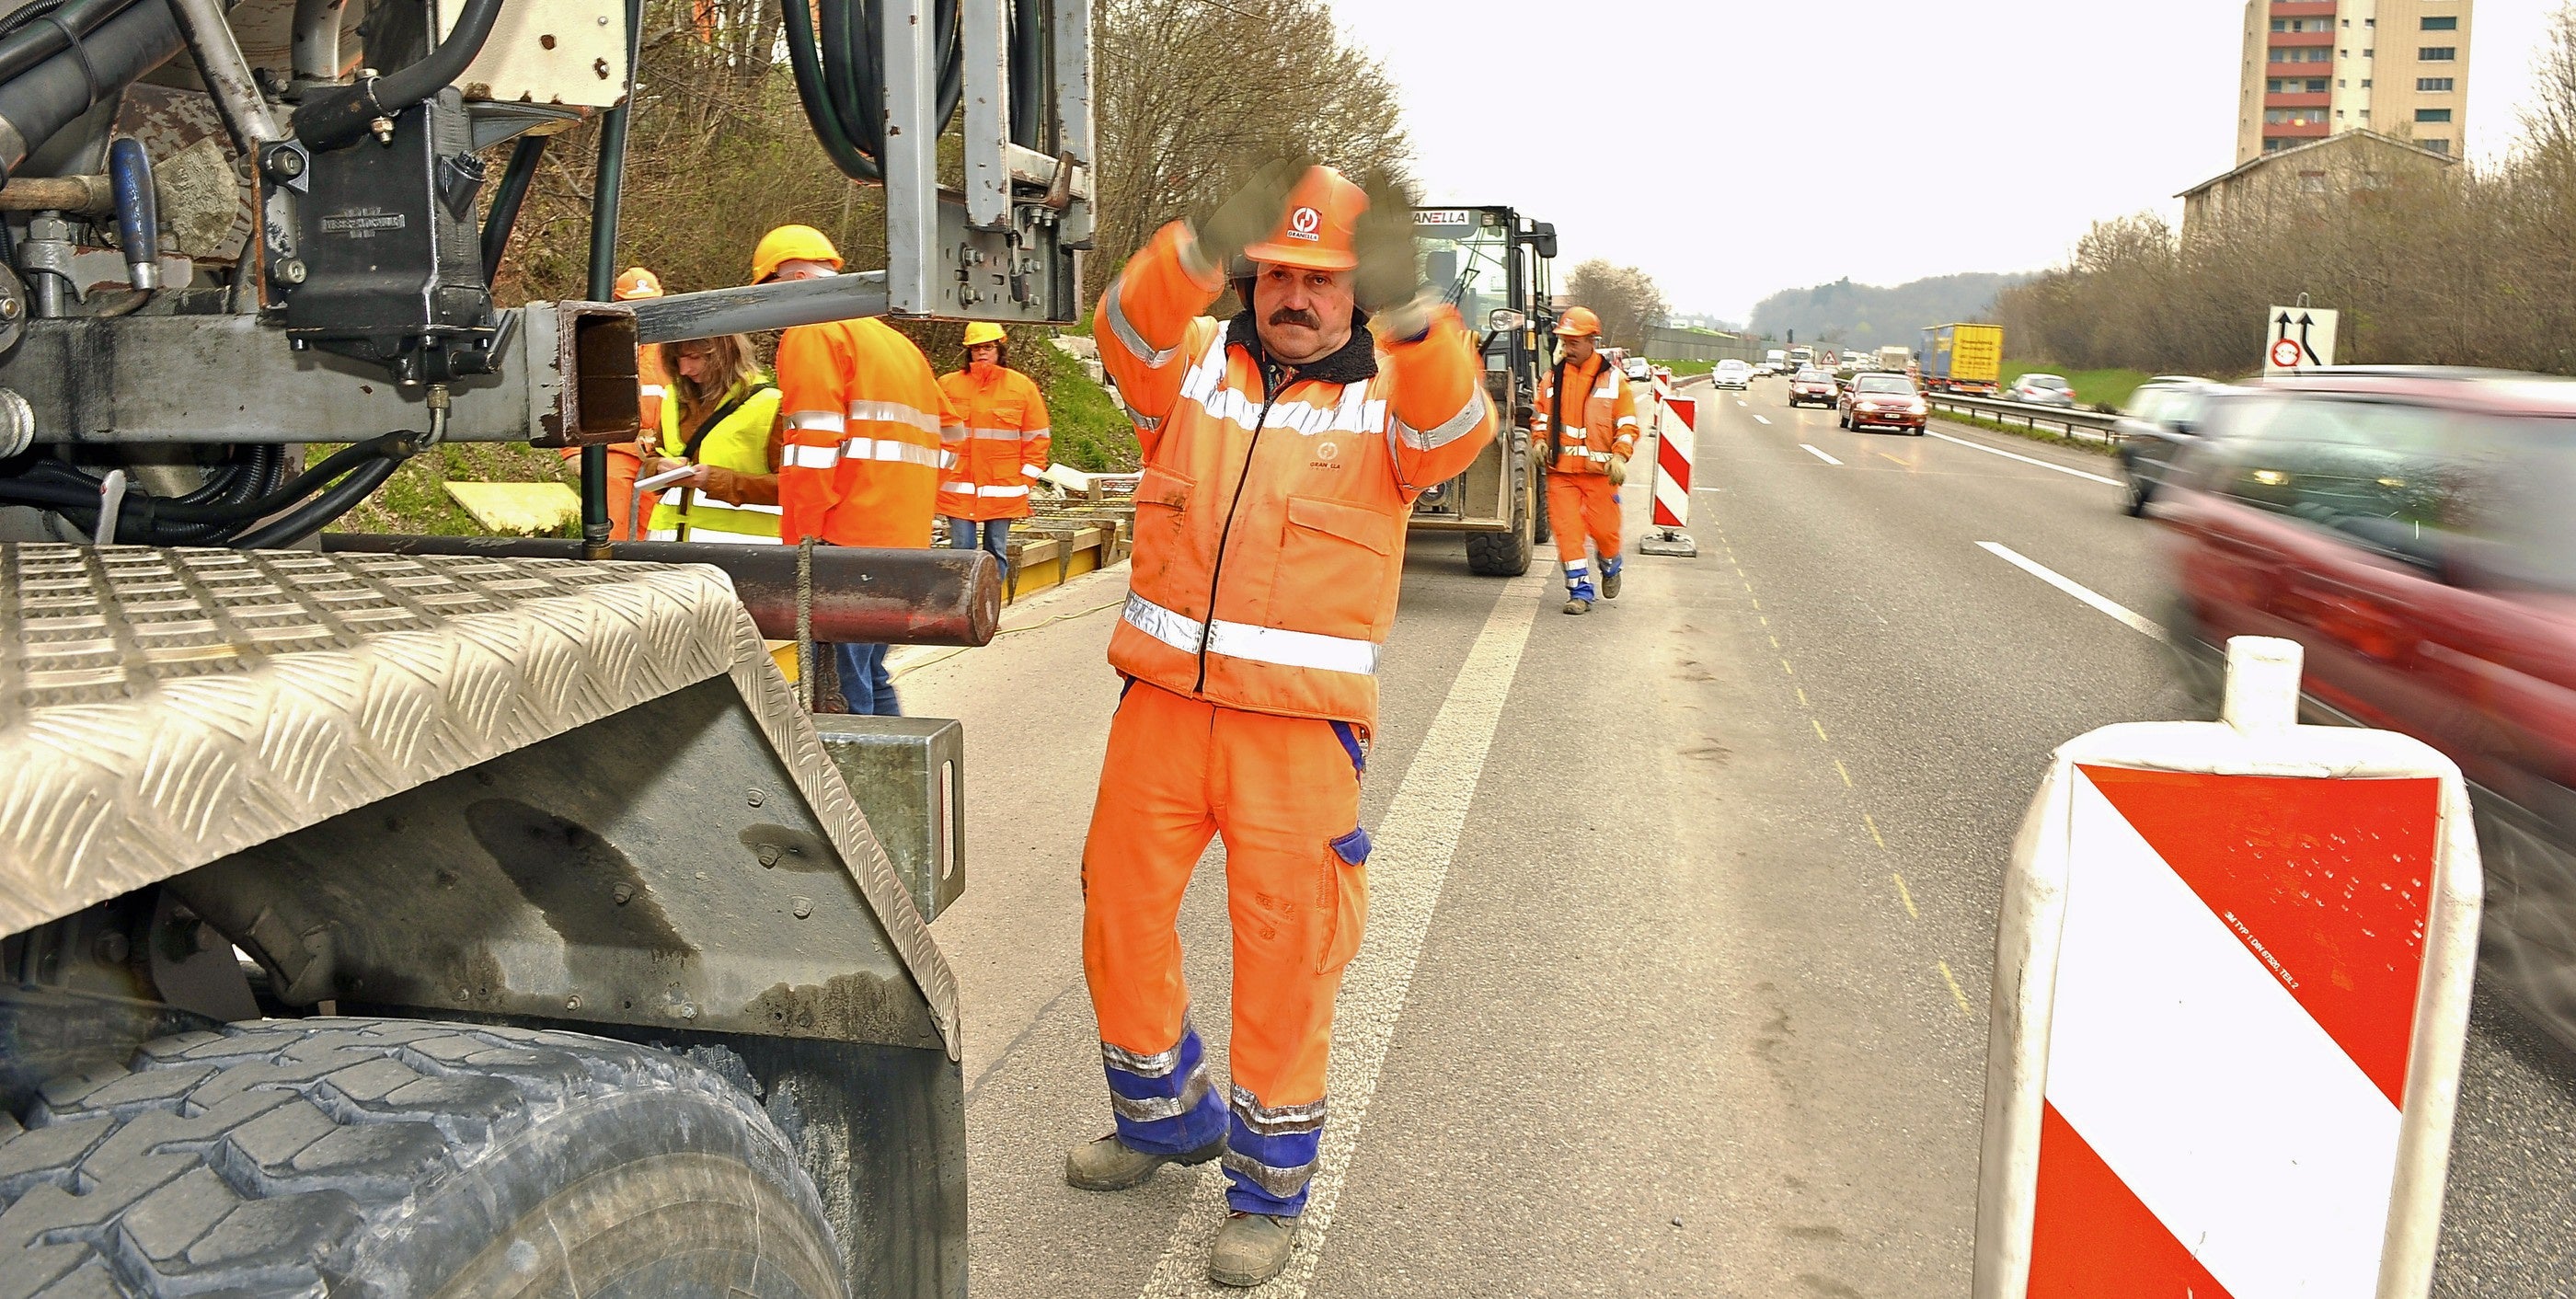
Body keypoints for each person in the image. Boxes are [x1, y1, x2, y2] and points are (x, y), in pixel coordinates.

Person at [1068, 163, 1492, 1287]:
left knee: (1287, 955)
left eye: (1322, 280)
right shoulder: (1195, 370)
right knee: (1118, 911)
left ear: (1358, 294)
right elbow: (1123, 324)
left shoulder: (1392, 407)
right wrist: (1201, 245)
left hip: (1298, 739)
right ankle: (1163, 1115)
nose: (1293, 297)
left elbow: (1460, 419)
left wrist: (1416, 312)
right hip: (1161, 711)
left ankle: (1266, 1186)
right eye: (1278, 274)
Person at [753, 224, 961, 715]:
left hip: (843, 543)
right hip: (901, 539)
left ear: (793, 279)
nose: (769, 312)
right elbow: (951, 433)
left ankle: (853, 790)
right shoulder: (896, 343)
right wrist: (911, 504)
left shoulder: (812, 331)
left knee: (841, 689)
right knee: (869, 673)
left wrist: (803, 542)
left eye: (768, 294)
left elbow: (812, 445)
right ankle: (894, 785)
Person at [1534, 305, 1638, 615]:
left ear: (1593, 340)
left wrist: (1619, 456)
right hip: (1561, 473)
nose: (1567, 346)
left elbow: (1627, 424)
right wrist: (1539, 441)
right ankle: (1580, 591)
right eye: (1564, 340)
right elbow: (1541, 416)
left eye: (1574, 341)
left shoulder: (1614, 380)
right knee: (1568, 533)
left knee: (1605, 532)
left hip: (1599, 474)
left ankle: (1610, 564)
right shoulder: (1552, 379)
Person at [639, 332, 782, 544]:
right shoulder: (674, 400)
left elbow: (792, 488)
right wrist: (659, 468)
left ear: (725, 354)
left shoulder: (771, 405)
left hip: (742, 555)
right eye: (677, 359)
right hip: (668, 549)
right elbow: (653, 457)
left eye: (694, 357)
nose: (684, 370)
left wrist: (714, 480)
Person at [936, 321, 1051, 583]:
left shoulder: (1022, 388)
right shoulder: (948, 385)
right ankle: (961, 611)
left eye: (987, 347)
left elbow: (1037, 439)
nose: (982, 353)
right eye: (976, 348)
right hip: (958, 488)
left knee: (995, 551)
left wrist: (1025, 482)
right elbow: (933, 433)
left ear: (1000, 349)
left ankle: (989, 609)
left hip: (1004, 488)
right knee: (960, 553)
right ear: (969, 352)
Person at [563, 266, 670, 539]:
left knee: (657, 532)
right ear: (618, 305)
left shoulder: (677, 348)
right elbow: (570, 399)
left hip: (664, 457)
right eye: (635, 307)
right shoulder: (598, 347)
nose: (644, 314)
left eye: (650, 306)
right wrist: (573, 453)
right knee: (612, 531)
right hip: (615, 454)